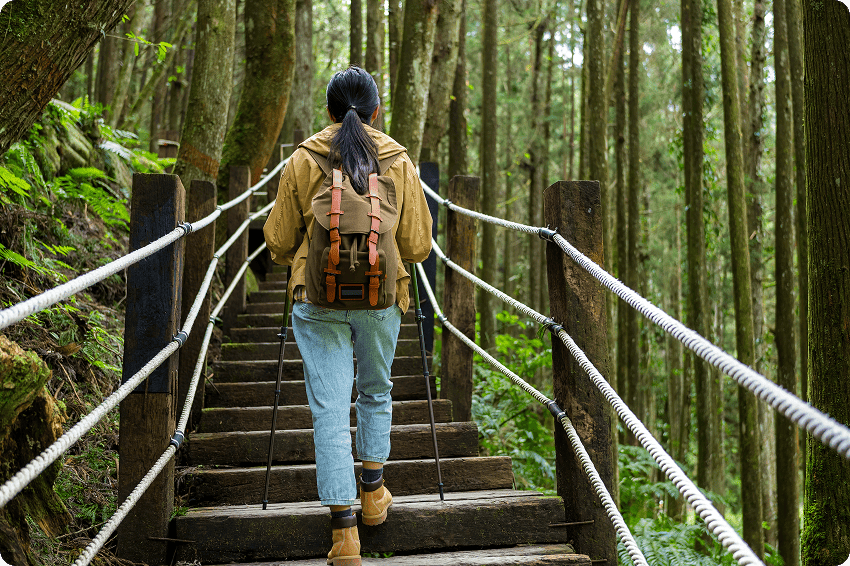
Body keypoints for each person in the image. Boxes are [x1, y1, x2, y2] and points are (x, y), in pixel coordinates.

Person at [263, 66, 432, 566]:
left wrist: (311, 252)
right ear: (376, 112)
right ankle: (373, 493)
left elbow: (278, 241)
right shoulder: (398, 160)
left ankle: (344, 537)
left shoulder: (303, 157)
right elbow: (418, 246)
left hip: (317, 299)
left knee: (330, 410)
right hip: (381, 298)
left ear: (329, 112)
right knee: (376, 390)